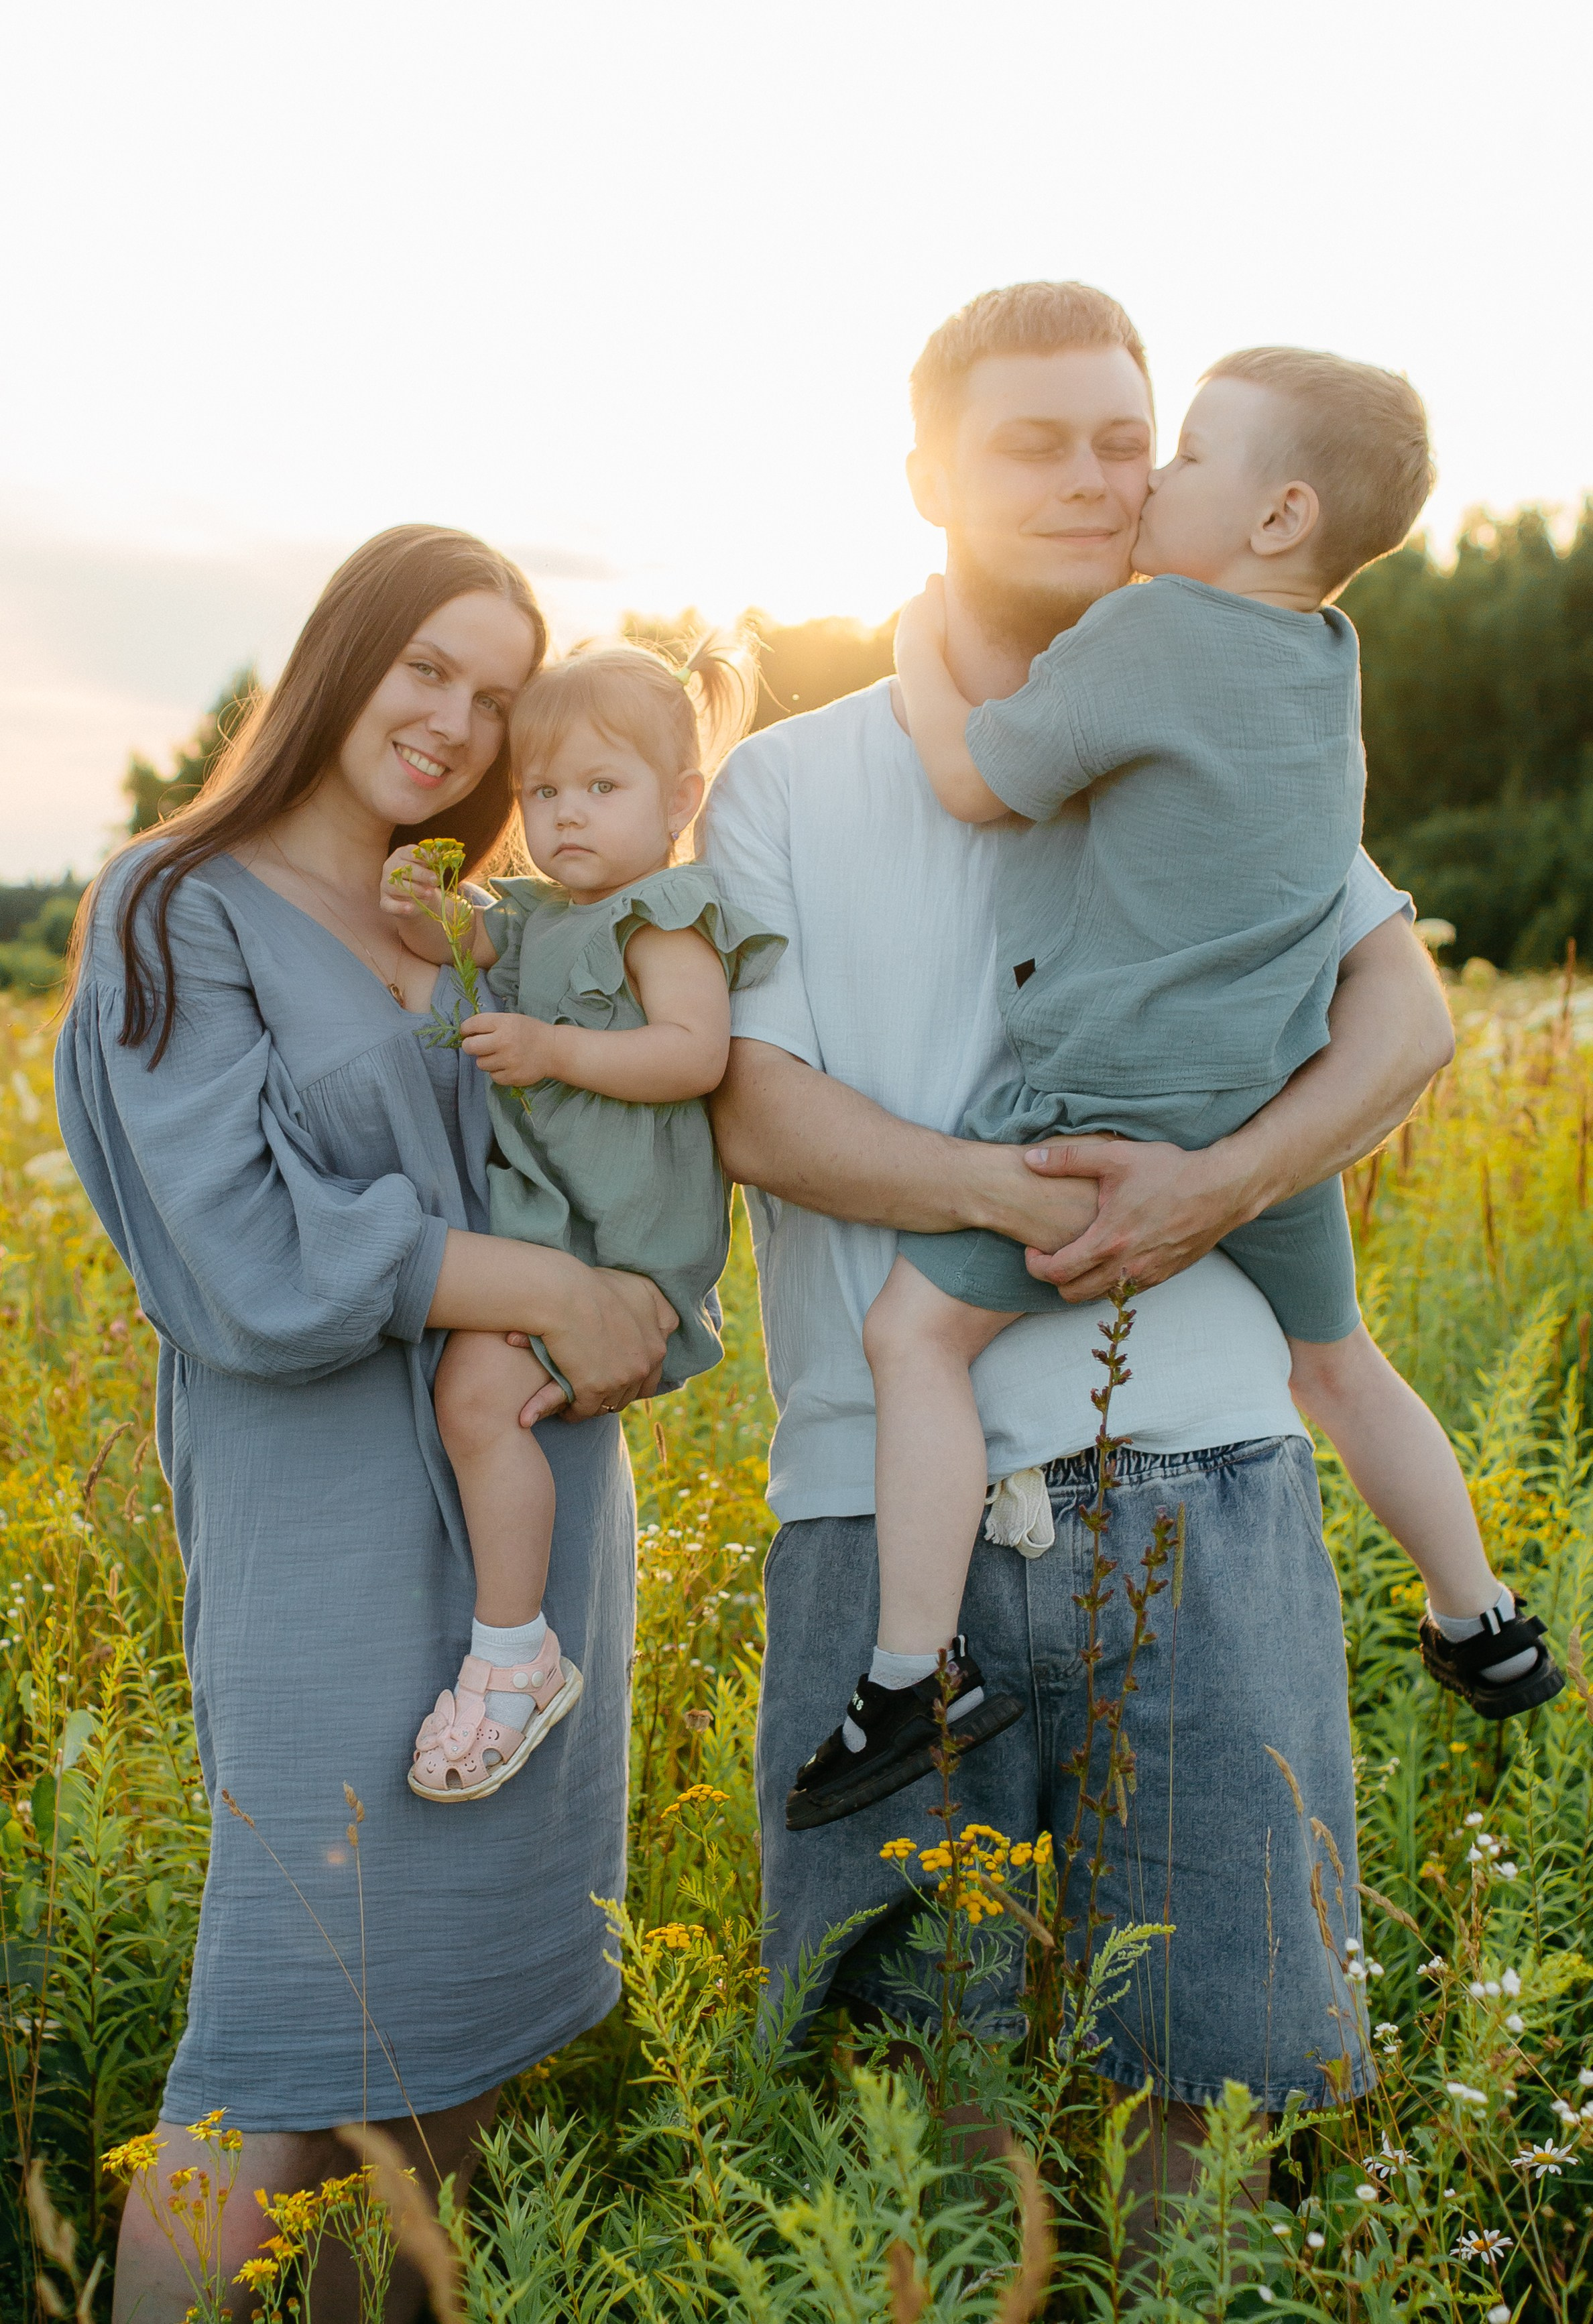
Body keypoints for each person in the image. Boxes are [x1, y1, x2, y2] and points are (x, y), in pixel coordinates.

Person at [700, 282, 1457, 2207]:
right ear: (926, 475)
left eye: (1131, 435)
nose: (1101, 475)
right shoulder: (786, 780)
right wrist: (1004, 1198)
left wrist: (1213, 1187)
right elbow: (754, 1107)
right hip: (887, 1517)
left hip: (1200, 1474)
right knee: (910, 2114)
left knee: (1209, 2084)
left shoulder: (1239, 704)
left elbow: (1408, 1022)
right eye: (1036, 440)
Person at [789, 345, 1559, 1828]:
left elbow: (975, 776)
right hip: (1264, 1097)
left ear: (1276, 517)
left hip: (1118, 1092)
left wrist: (909, 649)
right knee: (1338, 1362)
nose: (1147, 481)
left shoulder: (1151, 635)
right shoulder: (1325, 656)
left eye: (1183, 454)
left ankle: (909, 1669)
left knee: (913, 1337)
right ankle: (1481, 1615)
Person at [57, 526, 676, 2324]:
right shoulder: (179, 901)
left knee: (447, 2042)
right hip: (323, 1518)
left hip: (535, 1520)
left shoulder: (475, 925)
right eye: (429, 669)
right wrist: (540, 1290)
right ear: (345, 655)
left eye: (494, 698)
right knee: (282, 2030)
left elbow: (621, 1165)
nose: (458, 723)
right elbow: (240, 1260)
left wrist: (613, 1305)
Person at [379, 638, 781, 1802]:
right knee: (474, 1396)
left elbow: (694, 1053)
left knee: (471, 1395)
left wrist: (553, 1048)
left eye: (601, 790)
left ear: (680, 803)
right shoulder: (539, 909)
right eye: (543, 792)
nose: (565, 817)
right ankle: (511, 1645)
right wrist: (418, 907)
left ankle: (514, 1651)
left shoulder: (666, 911)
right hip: (559, 1232)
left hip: (628, 1241)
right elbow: (451, 942)